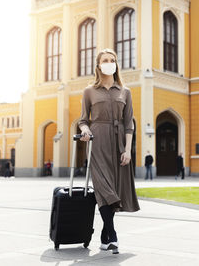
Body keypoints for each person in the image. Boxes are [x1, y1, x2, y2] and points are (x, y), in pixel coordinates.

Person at [79, 48, 140, 254]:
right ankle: (113, 236)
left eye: (112, 60)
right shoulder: (89, 91)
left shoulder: (125, 91)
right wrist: (85, 130)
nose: (109, 63)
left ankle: (105, 236)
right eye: (105, 60)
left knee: (114, 189)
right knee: (104, 187)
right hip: (97, 141)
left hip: (119, 143)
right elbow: (82, 120)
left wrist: (128, 150)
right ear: (98, 66)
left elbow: (129, 122)